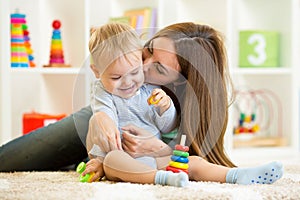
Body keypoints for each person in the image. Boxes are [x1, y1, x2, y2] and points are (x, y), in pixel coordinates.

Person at [0, 22, 283, 185]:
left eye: (158, 68)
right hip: (100, 127)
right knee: (10, 160)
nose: (141, 66)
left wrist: (159, 147)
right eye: (146, 51)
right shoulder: (118, 84)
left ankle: (238, 176)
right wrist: (99, 121)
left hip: (146, 157)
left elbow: (187, 156)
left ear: (181, 82)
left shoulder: (189, 108)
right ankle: (82, 161)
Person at [85, 23, 188, 187]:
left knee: (193, 163)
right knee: (112, 159)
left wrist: (165, 108)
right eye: (116, 77)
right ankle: (161, 178)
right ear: (97, 72)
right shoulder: (103, 91)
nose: (128, 82)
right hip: (120, 156)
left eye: (134, 72)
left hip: (150, 156)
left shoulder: (152, 90)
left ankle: (233, 174)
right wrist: (101, 160)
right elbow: (106, 124)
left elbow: (167, 127)